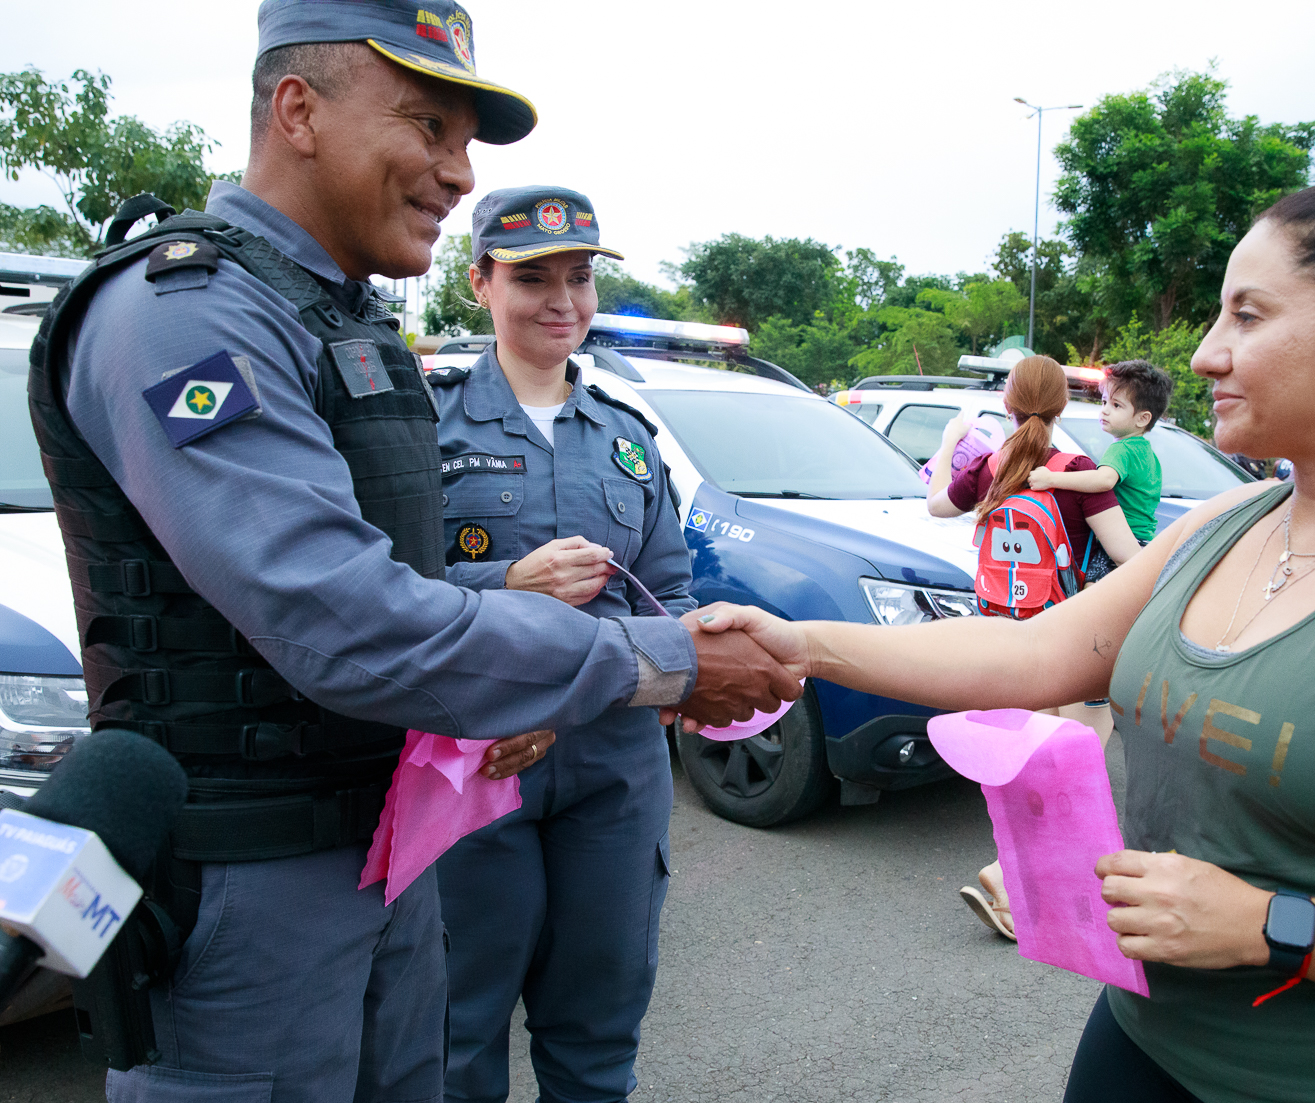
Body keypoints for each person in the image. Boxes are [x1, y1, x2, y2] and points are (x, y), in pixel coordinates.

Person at [687, 149, 1315, 1102]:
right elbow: (1033, 650)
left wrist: (1277, 924)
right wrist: (802, 643)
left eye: (1250, 315)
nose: (1204, 354)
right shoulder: (1219, 527)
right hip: (1141, 1044)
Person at [28, 4, 795, 1099]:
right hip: (252, 882)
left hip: (393, 841)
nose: (453, 171)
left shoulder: (345, 327)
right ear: (298, 109)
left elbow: (424, 592)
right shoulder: (186, 317)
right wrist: (663, 661)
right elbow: (347, 619)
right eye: (426, 126)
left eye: (464, 143)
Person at [430, 186, 689, 1103]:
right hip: (475, 766)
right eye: (532, 277)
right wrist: (503, 581)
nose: (562, 300)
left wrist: (577, 701)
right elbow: (382, 595)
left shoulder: (629, 438)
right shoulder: (428, 427)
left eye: (577, 277)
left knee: (597, 1033)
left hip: (613, 770)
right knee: (455, 1031)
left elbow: (676, 606)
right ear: (479, 285)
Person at [926, 356, 1137, 939]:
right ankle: (1007, 877)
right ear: (1062, 404)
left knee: (1035, 767)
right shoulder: (1074, 470)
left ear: (1009, 402)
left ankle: (1033, 890)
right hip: (1074, 643)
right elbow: (1126, 557)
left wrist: (950, 444)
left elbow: (938, 504)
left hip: (1006, 639)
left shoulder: (995, 465)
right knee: (1075, 769)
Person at [1029, 359, 1172, 578]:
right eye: (1104, 402)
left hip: (1118, 546)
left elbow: (1103, 480)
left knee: (1089, 602)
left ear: (1143, 418)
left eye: (1116, 405)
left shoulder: (1121, 450)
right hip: (1143, 542)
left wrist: (1051, 479)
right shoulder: (1147, 454)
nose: (1104, 410)